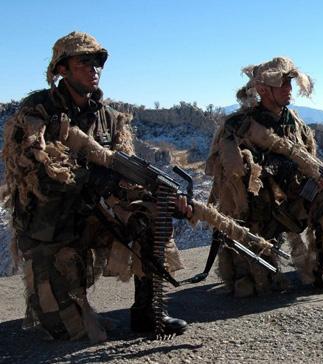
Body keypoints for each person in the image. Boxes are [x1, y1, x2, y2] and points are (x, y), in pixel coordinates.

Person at [2, 31, 189, 341]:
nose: (94, 69)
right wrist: (90, 177)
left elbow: (127, 172)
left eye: (98, 63)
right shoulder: (36, 112)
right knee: (65, 330)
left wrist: (165, 198)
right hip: (52, 225)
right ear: (61, 70)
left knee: (152, 214)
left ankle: (147, 312)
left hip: (96, 213)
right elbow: (36, 171)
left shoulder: (110, 117)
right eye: (84, 63)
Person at [205, 57, 323, 297]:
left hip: (292, 197)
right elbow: (230, 170)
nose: (290, 90)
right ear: (263, 90)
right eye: (283, 85)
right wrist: (267, 167)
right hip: (255, 206)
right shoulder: (238, 125)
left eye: (290, 84)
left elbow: (309, 156)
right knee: (252, 288)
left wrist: (312, 178)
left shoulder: (293, 122)